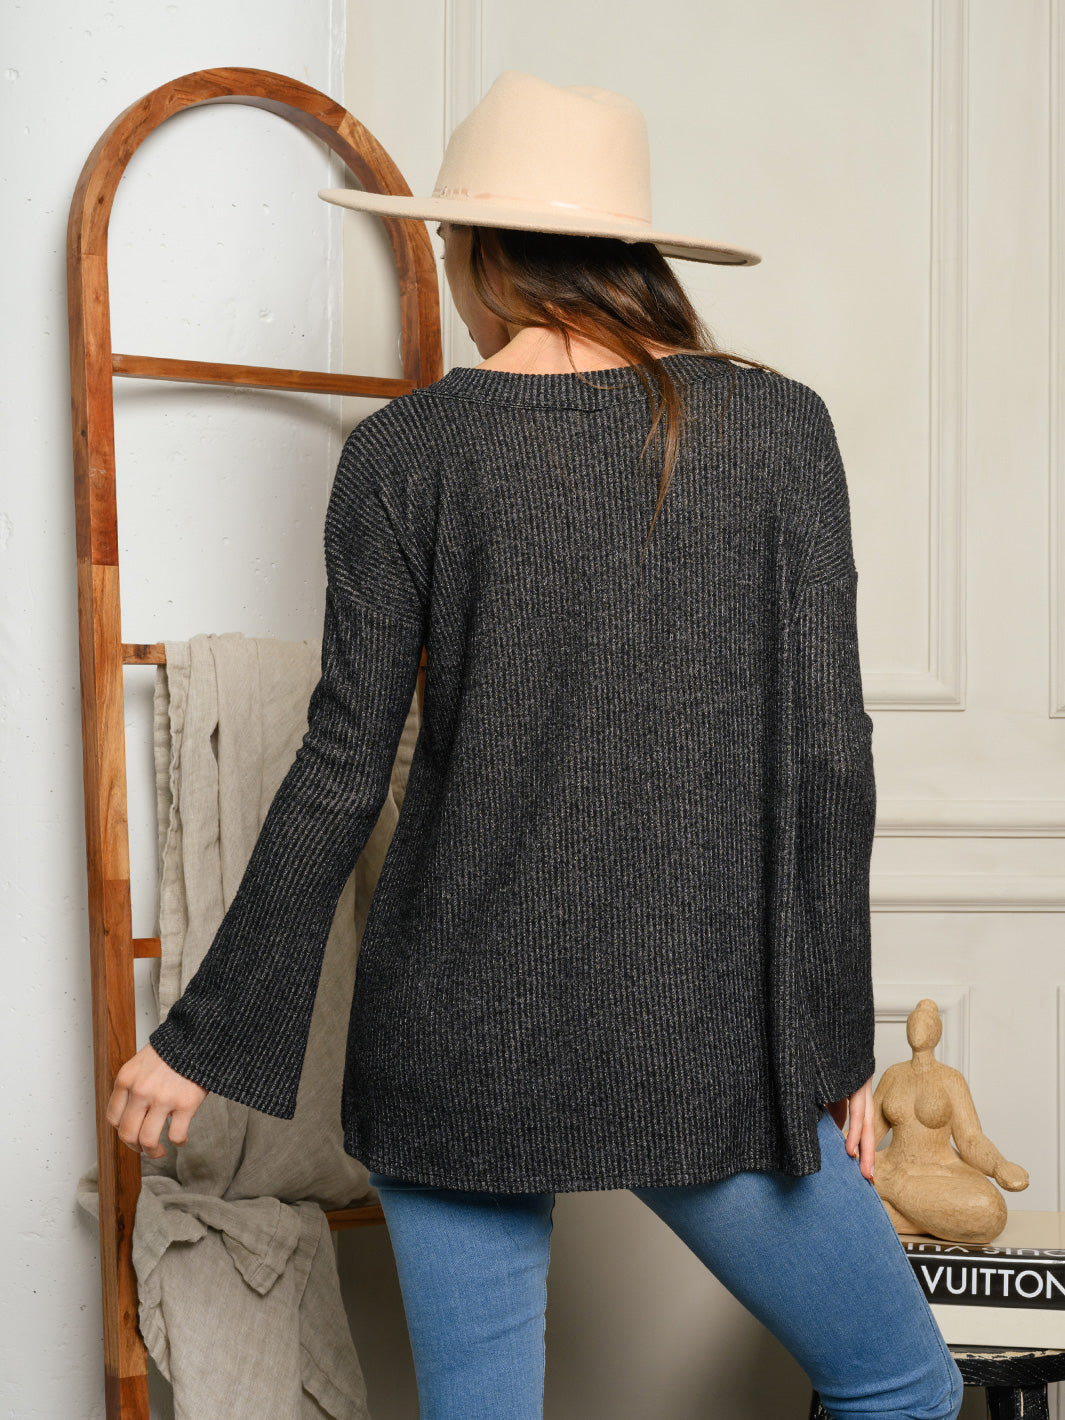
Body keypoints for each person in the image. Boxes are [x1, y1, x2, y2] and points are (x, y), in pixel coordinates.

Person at [106, 71, 964, 1420]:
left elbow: (340, 767)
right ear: (631, 253)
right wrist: (828, 1043)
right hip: (698, 1031)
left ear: (476, 248)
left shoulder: (404, 452)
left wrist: (196, 1040)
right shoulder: (777, 428)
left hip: (451, 1034)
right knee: (900, 1388)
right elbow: (826, 763)